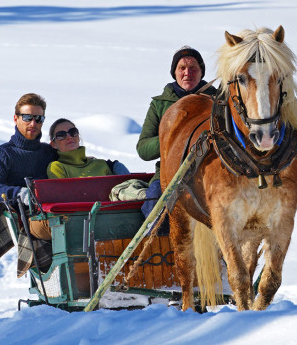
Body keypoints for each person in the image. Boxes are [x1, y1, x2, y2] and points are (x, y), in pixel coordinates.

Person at [137, 46, 217, 217]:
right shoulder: (160, 104)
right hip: (169, 175)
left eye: (193, 68)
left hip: (212, 173)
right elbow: (143, 149)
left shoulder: (218, 101)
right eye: (182, 68)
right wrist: (176, 138)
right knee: (155, 203)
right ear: (175, 73)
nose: (188, 72)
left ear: (201, 72)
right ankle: (156, 241)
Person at [0, 93, 56, 276]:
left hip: (54, 211)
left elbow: (75, 161)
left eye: (38, 118)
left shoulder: (49, 152)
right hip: (29, 219)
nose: (33, 123)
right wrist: (18, 193)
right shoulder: (1, 154)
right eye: (27, 117)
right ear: (16, 118)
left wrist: (111, 166)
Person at [47, 118, 130, 178]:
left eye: (73, 132)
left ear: (78, 137)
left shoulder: (100, 164)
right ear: (53, 144)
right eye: (61, 135)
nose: (69, 137)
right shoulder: (57, 167)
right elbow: (63, 196)